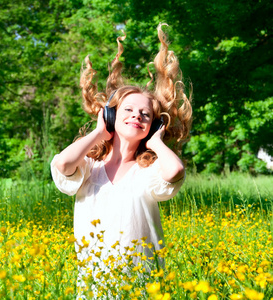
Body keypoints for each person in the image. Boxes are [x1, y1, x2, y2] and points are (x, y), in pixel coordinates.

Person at [50, 24, 192, 297]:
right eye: (128, 110)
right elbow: (62, 165)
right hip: (95, 285)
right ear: (112, 116)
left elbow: (175, 171)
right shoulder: (89, 166)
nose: (136, 116)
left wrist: (156, 143)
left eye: (145, 114)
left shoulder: (148, 170)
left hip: (141, 284)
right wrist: (98, 132)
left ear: (152, 125)